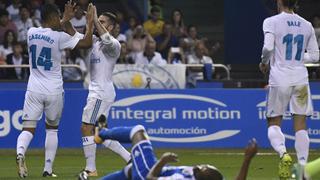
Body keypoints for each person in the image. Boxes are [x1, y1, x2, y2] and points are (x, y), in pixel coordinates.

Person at [15, 2, 95, 178]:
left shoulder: (31, 33)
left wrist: (64, 19)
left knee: (28, 129)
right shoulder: (60, 37)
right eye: (57, 14)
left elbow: (53, 28)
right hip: (54, 91)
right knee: (52, 130)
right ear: (52, 17)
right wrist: (89, 22)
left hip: (33, 89)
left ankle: (20, 152)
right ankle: (48, 170)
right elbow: (87, 43)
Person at [259, 0, 320, 179]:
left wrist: (264, 62)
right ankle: (301, 168)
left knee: (274, 122)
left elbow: (268, 47)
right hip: (300, 79)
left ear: (279, 2)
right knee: (301, 126)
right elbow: (316, 57)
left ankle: (283, 153)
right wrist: (299, 55)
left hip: (279, 79)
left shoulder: (271, 21)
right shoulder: (307, 25)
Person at [71, 6, 131, 177]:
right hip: (100, 92)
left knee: (85, 127)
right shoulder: (95, 42)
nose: (100, 24)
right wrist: (80, 20)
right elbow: (76, 36)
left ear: (110, 27)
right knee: (100, 134)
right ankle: (131, 158)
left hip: (100, 94)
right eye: (100, 21)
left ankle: (91, 168)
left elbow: (105, 37)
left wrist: (95, 19)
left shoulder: (114, 45)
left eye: (103, 22)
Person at [81, 125, 257, 180]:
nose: (200, 165)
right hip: (154, 170)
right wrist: (247, 158)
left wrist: (163, 161)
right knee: (127, 172)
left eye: (203, 168)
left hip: (148, 174)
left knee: (137, 131)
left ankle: (101, 134)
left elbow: (150, 179)